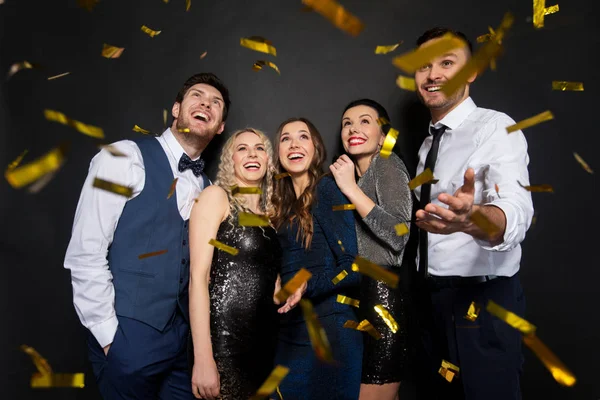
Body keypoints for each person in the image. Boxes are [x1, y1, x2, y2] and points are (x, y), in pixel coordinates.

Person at [64, 72, 230, 399]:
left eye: (216, 103)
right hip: (129, 340)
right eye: (197, 96)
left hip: (184, 349)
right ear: (176, 108)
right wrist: (111, 338)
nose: (206, 105)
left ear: (220, 126)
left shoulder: (210, 190)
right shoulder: (123, 157)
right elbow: (86, 252)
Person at [411, 28, 534, 400]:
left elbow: (516, 210)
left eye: (447, 63)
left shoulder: (497, 127)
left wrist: (474, 220)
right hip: (432, 304)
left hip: (481, 306)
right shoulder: (428, 142)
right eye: (424, 66)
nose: (433, 75)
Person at [271, 117, 363, 399]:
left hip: (329, 330)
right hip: (290, 330)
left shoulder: (327, 189)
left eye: (303, 137)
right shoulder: (282, 204)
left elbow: (354, 267)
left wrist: (307, 286)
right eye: (286, 138)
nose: (294, 144)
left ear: (316, 148)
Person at [188, 128, 282, 400]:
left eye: (260, 148)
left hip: (263, 346)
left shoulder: (269, 217)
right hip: (225, 346)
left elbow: (273, 291)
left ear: (268, 161)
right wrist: (203, 358)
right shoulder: (216, 197)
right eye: (242, 148)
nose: (252, 153)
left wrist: (298, 285)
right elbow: (198, 278)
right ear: (231, 160)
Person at [330, 99, 413, 400]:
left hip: (382, 304)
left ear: (383, 135)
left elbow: (398, 234)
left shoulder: (387, 164)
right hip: (355, 303)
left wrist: (350, 188)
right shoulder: (352, 177)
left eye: (365, 121)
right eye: (347, 123)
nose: (353, 128)